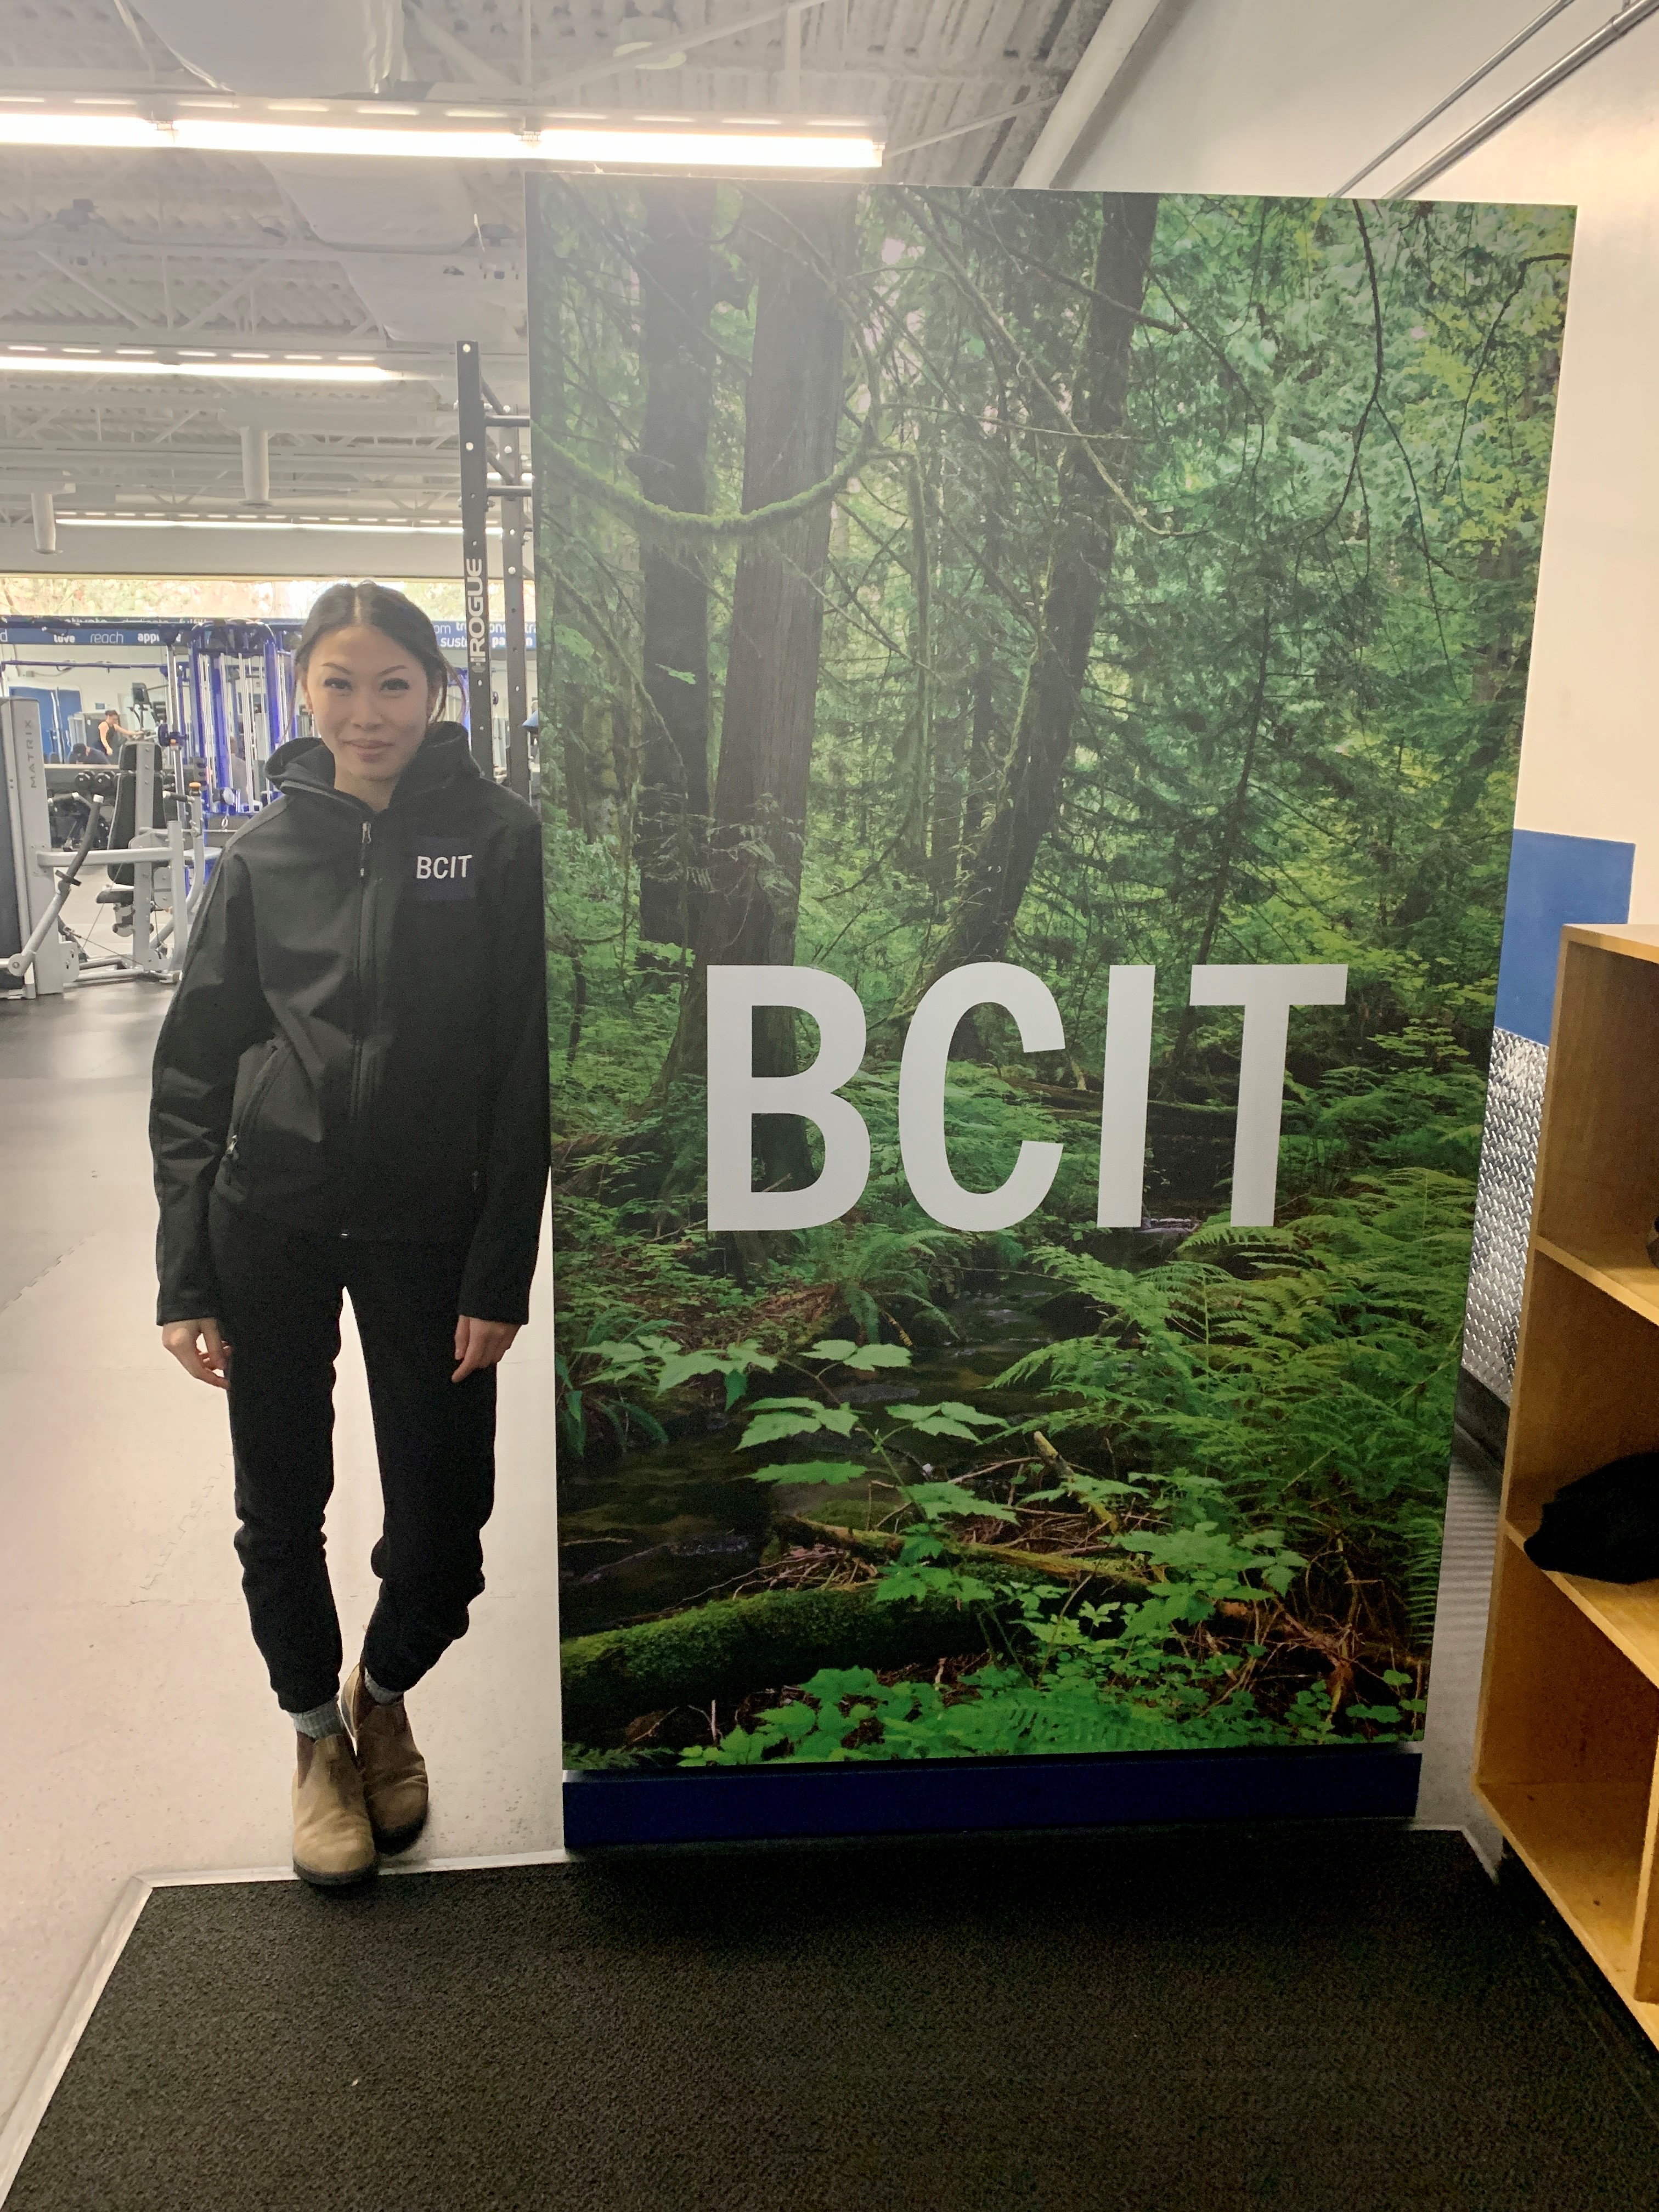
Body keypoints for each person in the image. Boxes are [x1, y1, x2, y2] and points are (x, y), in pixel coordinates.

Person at [149, 580, 549, 1888]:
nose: (365, 712)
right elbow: (196, 1067)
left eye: (391, 684)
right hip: (271, 1217)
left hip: (429, 1231)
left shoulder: (496, 842)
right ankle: (319, 1742)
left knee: (445, 1518)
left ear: (436, 694)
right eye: (339, 683)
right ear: (302, 695)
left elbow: (521, 1072)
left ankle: (387, 1686)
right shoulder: (262, 854)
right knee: (282, 1499)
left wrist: (501, 1264)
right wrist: (183, 1272)